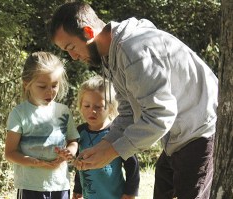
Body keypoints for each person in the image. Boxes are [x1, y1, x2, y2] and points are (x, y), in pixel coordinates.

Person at [48, 2, 218, 199]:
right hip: (177, 138)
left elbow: (160, 115)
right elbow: (129, 112)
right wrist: (104, 144)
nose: (73, 57)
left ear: (87, 32)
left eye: (71, 47)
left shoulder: (133, 50)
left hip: (201, 132)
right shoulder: (112, 56)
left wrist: (112, 152)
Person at [5, 51, 80, 199]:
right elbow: (10, 153)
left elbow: (73, 141)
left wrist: (70, 152)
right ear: (27, 84)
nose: (50, 92)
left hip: (60, 185)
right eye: (42, 86)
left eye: (54, 85)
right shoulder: (19, 113)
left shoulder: (63, 111)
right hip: (30, 186)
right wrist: (36, 163)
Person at [72, 75, 139, 199]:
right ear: (80, 106)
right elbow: (80, 164)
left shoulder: (117, 133)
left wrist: (130, 193)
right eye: (87, 106)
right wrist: (78, 188)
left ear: (111, 107)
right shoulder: (80, 132)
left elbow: (132, 165)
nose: (92, 111)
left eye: (98, 107)